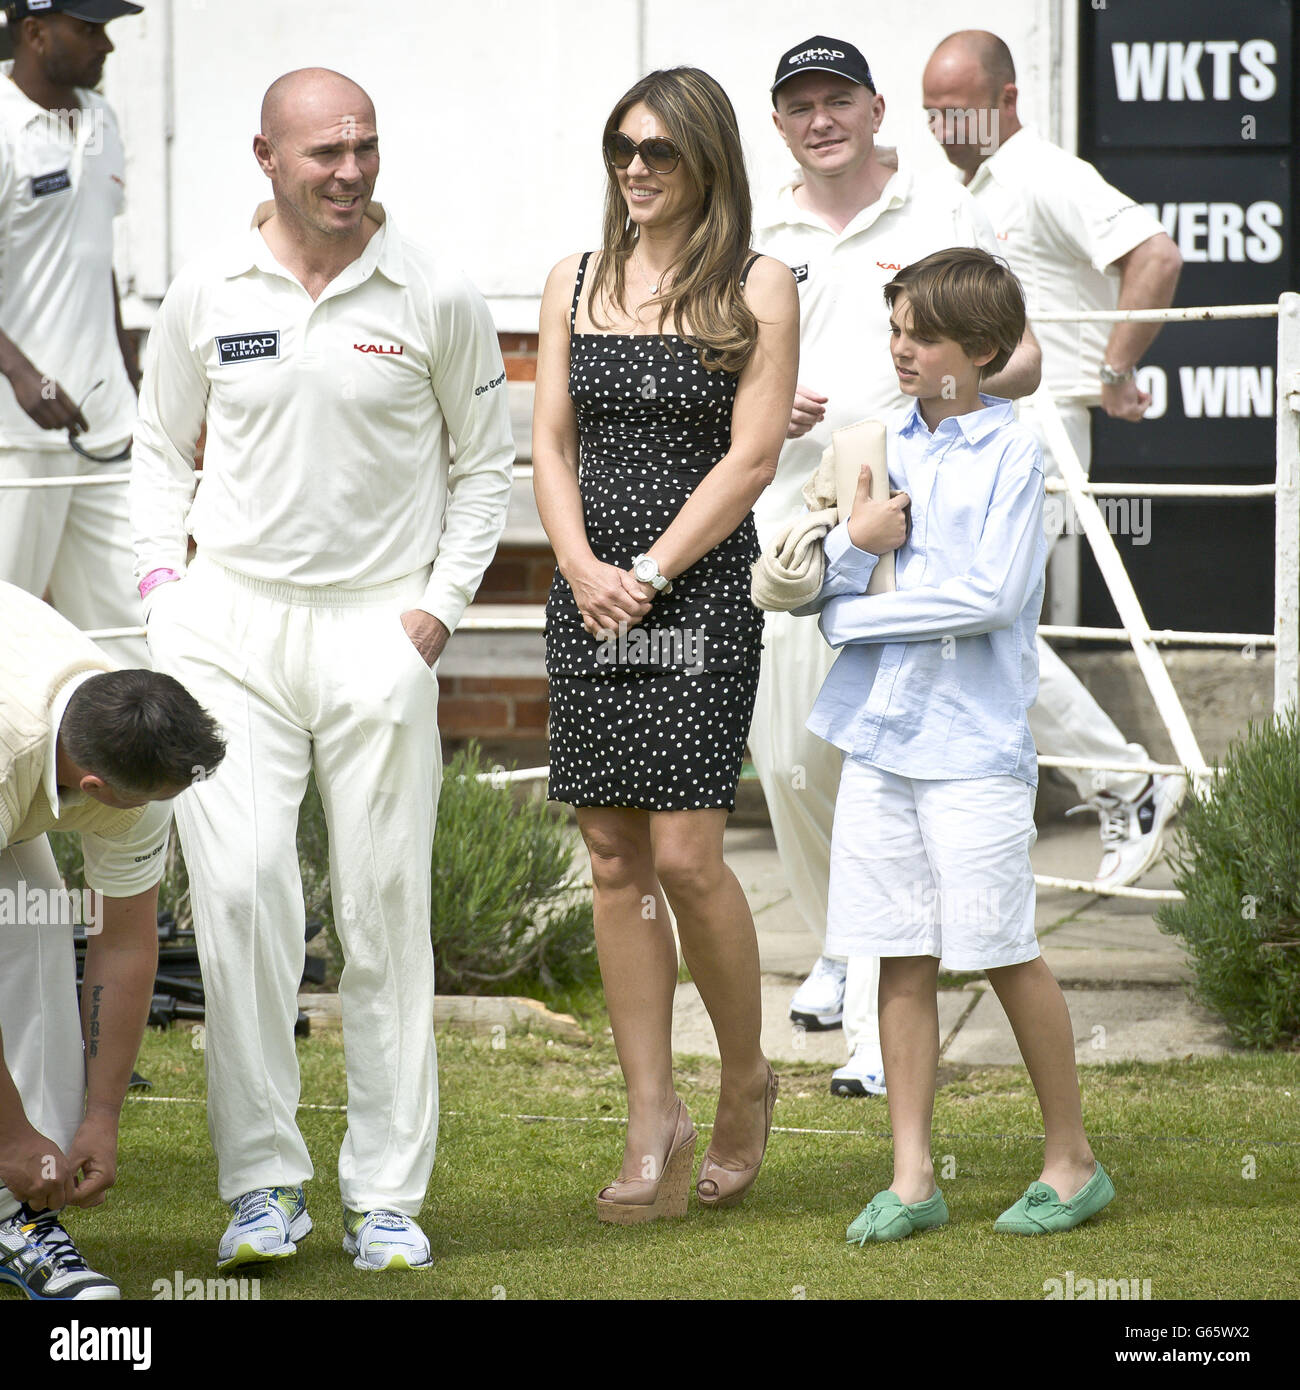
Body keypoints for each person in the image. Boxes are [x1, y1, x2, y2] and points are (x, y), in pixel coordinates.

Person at [130, 68, 514, 1273]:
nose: (349, 172)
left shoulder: (434, 287)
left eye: (365, 147)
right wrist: (162, 597)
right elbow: (155, 452)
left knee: (385, 910)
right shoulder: (209, 287)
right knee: (241, 899)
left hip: (376, 633)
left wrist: (435, 614)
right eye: (323, 153)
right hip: (228, 633)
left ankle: (387, 1198)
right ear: (265, 157)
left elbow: (483, 466)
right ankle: (262, 1188)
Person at [798, 247, 1112, 1243]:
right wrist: (857, 545)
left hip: (973, 746)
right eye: (894, 329)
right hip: (879, 738)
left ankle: (1073, 1161)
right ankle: (912, 1174)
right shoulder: (869, 439)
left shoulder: (1018, 449)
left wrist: (852, 618)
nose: (900, 348)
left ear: (978, 351)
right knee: (897, 951)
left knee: (1006, 949)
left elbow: (991, 599)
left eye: (920, 335)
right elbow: (827, 578)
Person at [750, 35, 1042, 1098]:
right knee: (790, 767)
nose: (819, 119)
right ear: (778, 121)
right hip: (801, 527)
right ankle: (844, 939)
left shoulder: (941, 211)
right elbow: (719, 363)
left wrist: (931, 415)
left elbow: (1021, 354)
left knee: (901, 770)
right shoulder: (755, 230)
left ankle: (876, 1014)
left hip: (927, 516)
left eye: (838, 100)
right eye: (798, 106)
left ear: (877, 107)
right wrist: (762, 406)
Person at [532, 66, 798, 1221]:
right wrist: (586, 568)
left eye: (659, 151)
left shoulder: (759, 284)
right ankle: (653, 1115)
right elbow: (546, 444)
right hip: (589, 593)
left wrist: (647, 572)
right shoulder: (572, 280)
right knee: (610, 858)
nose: (635, 168)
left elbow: (751, 459)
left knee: (687, 854)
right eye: (621, 148)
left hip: (694, 594)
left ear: (707, 163)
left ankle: (743, 1079)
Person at [922, 29, 1186, 889]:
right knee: (969, 626)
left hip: (1039, 433)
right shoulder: (974, 188)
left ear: (1006, 99)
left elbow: (1155, 253)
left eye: (958, 109)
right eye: (932, 112)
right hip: (986, 428)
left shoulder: (1043, 172)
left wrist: (1116, 368)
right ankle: (1098, 790)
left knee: (983, 627)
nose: (945, 128)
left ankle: (1129, 782)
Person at [0, 581, 225, 1299]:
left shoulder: (137, 753)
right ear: (95, 785)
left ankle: (18, 1222)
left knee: (34, 921)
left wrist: (101, 1118)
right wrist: (10, 1137)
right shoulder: (12, 751)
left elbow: (122, 944)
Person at [0, 0, 147, 668]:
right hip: (15, 437)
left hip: (105, 424)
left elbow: (94, 256)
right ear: (33, 31)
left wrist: (127, 368)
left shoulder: (103, 117)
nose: (107, 45)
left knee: (136, 635)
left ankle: (154, 776)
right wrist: (24, 374)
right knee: (8, 631)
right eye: (89, 29)